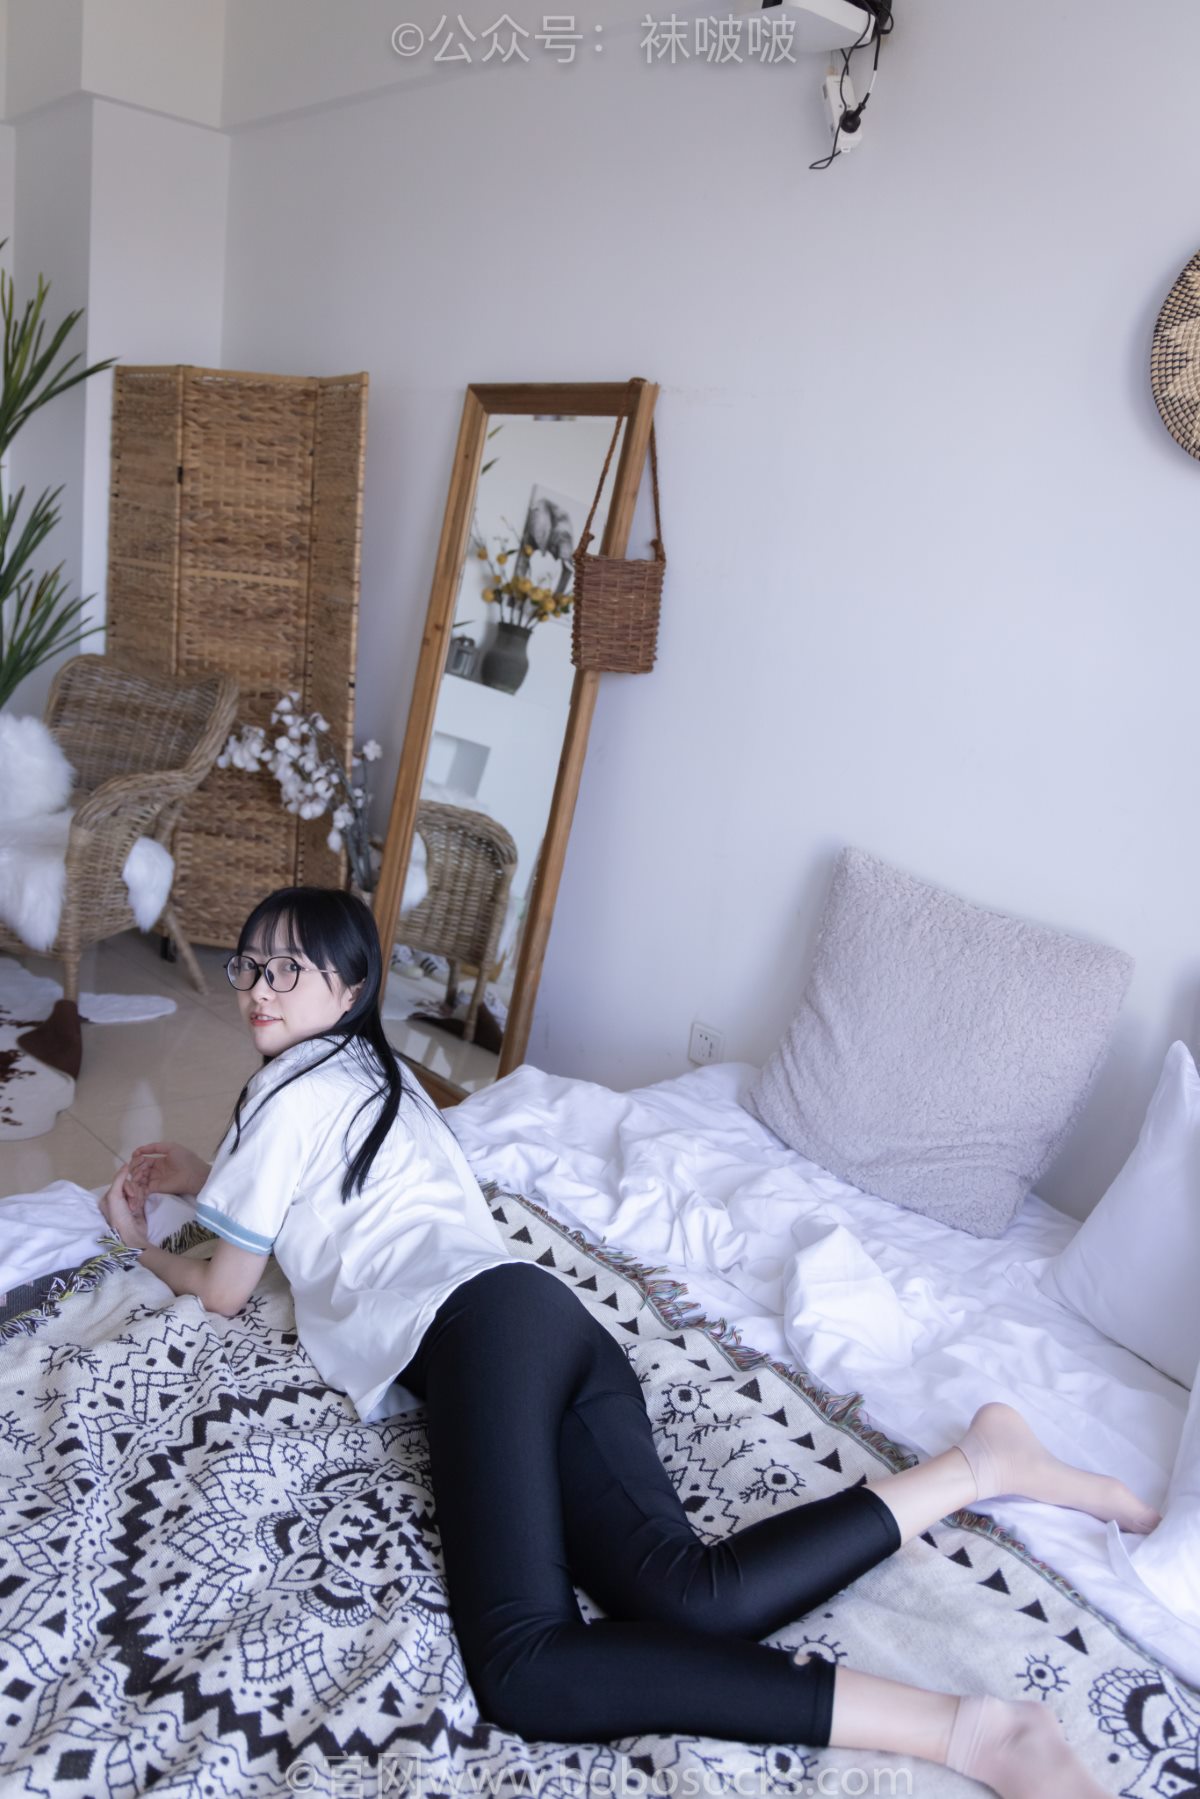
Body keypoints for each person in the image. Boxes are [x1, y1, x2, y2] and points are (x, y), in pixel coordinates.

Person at [100, 885, 1157, 1797]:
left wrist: (142, 1247)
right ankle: (982, 1463)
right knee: (692, 1593)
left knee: (525, 1668)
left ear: (351, 986)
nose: (259, 987)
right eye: (250, 965)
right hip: (547, 1318)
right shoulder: (385, 1080)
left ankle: (974, 1734)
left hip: (475, 1337)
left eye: (289, 968)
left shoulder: (284, 1091)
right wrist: (207, 1176)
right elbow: (317, 1195)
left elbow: (225, 1288)